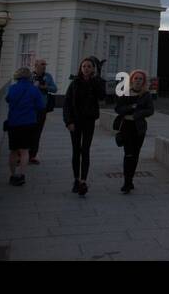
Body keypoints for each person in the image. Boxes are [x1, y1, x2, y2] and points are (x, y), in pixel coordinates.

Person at [62, 56, 105, 196]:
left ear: (93, 69)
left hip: (89, 121)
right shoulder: (74, 83)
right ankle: (75, 179)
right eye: (84, 66)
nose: (86, 69)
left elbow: (102, 97)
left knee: (85, 150)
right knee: (76, 150)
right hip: (75, 121)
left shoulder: (96, 82)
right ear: (80, 69)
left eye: (89, 67)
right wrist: (68, 122)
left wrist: (98, 80)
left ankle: (83, 180)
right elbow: (67, 103)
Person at [113, 69, 155, 193]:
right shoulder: (124, 93)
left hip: (139, 128)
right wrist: (131, 107)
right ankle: (126, 182)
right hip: (126, 126)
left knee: (135, 154)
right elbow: (117, 109)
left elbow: (150, 110)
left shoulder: (146, 95)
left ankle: (130, 179)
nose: (138, 81)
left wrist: (137, 114)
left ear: (144, 81)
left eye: (140, 79)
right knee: (128, 154)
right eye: (136, 78)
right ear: (131, 79)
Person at [4, 67, 46, 186]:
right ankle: (22, 175)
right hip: (28, 123)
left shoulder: (12, 88)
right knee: (24, 151)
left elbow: (7, 100)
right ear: (29, 77)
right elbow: (41, 106)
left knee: (13, 150)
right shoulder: (33, 90)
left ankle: (12, 175)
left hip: (13, 123)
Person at [28, 58, 58, 165]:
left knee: (37, 132)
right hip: (30, 108)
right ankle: (22, 154)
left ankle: (32, 155)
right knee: (27, 131)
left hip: (42, 108)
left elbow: (55, 89)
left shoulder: (48, 76)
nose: (44, 66)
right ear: (36, 65)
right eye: (42, 64)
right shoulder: (30, 76)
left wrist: (45, 87)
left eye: (45, 64)